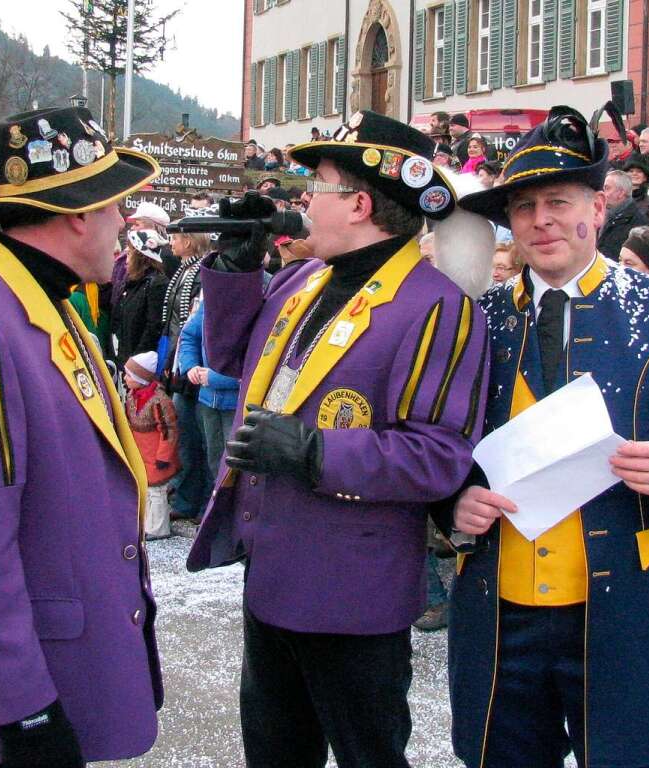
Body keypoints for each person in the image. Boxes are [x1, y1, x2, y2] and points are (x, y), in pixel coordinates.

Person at [447, 103, 649, 768]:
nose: (542, 220)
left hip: (626, 614)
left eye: (558, 201)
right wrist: (453, 506)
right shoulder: (479, 321)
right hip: (502, 615)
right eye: (524, 209)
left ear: (598, 205)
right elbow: (443, 452)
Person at [186, 110, 489, 768]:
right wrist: (236, 267)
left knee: (367, 756)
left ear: (357, 204)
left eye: (315, 186)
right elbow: (235, 358)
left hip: (353, 595)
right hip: (271, 574)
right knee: (273, 753)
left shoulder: (435, 305)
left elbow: (438, 456)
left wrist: (311, 451)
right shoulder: (301, 280)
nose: (301, 202)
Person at [0, 105, 163, 766]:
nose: (124, 226)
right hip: (26, 684)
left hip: (61, 662)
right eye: (117, 209)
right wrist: (25, 709)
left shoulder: (40, 303)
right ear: (78, 212)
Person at [161, 228, 214, 521]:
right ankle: (187, 498)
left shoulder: (202, 272)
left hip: (196, 367)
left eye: (177, 237)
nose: (172, 243)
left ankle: (202, 500)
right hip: (182, 361)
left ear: (190, 240)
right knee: (187, 436)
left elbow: (190, 322)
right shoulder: (184, 270)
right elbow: (175, 324)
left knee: (202, 438)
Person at [177, 302, 240, 498]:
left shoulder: (263, 289)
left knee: (235, 469)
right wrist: (190, 366)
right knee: (214, 464)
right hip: (207, 401)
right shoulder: (213, 296)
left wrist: (216, 378)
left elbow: (262, 359)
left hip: (237, 404)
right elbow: (188, 336)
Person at [124, 351, 180, 540]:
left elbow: (169, 430)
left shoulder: (159, 401)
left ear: (140, 378)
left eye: (129, 375)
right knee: (145, 489)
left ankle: (158, 528)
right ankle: (147, 523)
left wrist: (164, 456)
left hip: (156, 454)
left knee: (157, 491)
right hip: (141, 453)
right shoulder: (132, 396)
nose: (125, 378)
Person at [112, 228, 168, 367]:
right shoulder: (132, 283)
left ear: (140, 257)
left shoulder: (156, 284)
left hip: (139, 365)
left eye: (130, 253)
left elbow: (153, 327)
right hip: (125, 358)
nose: (126, 258)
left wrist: (136, 362)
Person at [598, 169, 649, 260]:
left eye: (607, 188)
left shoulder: (639, 224)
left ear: (620, 193)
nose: (602, 193)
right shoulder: (603, 214)